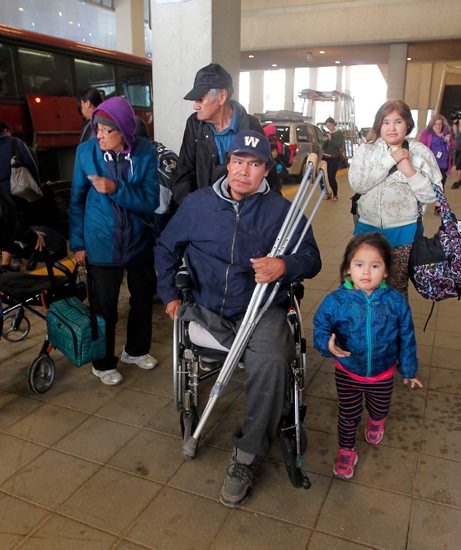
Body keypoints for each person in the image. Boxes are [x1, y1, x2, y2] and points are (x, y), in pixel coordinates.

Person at [155, 130, 321, 507]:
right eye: (238, 162)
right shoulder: (197, 205)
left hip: (261, 310)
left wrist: (284, 265)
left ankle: (246, 455)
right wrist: (168, 294)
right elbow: (166, 247)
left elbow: (312, 259)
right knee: (265, 369)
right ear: (227, 164)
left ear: (265, 170)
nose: (244, 171)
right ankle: (270, 400)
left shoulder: (281, 211)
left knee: (274, 357)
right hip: (208, 308)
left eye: (254, 164)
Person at [313, 232, 422, 480]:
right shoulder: (336, 301)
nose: (366, 272)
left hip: (382, 374)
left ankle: (376, 421)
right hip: (348, 371)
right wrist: (326, 344)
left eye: (375, 265)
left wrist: (409, 369)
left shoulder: (395, 302)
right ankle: (346, 450)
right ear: (348, 268)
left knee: (379, 407)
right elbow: (321, 327)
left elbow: (406, 336)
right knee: (348, 414)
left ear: (385, 271)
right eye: (358, 264)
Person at [69, 96, 159, 386]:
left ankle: (135, 350)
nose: (101, 136)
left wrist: (115, 188)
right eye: (98, 129)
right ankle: (103, 362)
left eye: (108, 131)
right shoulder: (86, 153)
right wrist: (79, 243)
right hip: (101, 242)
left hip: (138, 241)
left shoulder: (145, 153)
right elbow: (76, 201)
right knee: (104, 306)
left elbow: (150, 200)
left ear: (125, 131)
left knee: (142, 300)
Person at [348, 99, 442, 296]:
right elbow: (357, 184)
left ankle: (395, 327)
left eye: (398, 121)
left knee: (396, 290)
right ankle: (365, 327)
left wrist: (409, 171)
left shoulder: (420, 152)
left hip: (404, 232)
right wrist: (390, 160)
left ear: (407, 124)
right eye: (386, 122)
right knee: (362, 288)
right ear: (379, 125)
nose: (391, 127)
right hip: (367, 230)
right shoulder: (367, 150)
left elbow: (433, 195)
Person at [173, 63, 264, 205]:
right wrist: (193, 211)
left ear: (221, 96)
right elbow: (183, 175)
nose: (195, 106)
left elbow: (266, 177)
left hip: (241, 214)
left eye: (200, 99)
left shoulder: (251, 126)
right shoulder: (194, 125)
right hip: (204, 211)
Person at [0, 120, 41, 272]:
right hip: (13, 193)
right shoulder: (14, 143)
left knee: (6, 227)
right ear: (5, 130)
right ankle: (17, 257)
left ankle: (7, 264)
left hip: (3, 200)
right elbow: (31, 164)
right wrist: (36, 186)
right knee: (14, 224)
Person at [419, 114, 456, 214]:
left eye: (440, 124)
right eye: (436, 124)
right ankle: (420, 206)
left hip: (443, 164)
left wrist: (449, 141)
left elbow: (453, 145)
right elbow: (421, 146)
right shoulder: (427, 133)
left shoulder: (446, 133)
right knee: (427, 185)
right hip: (430, 164)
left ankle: (438, 207)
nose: (438, 126)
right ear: (432, 125)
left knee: (440, 186)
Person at [322, 117, 345, 201]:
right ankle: (327, 193)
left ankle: (335, 194)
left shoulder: (339, 133)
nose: (328, 127)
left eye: (329, 125)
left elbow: (338, 145)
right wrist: (325, 140)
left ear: (333, 124)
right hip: (325, 157)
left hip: (334, 158)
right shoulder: (326, 133)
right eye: (327, 126)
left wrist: (331, 139)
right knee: (325, 177)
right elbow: (323, 147)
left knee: (331, 176)